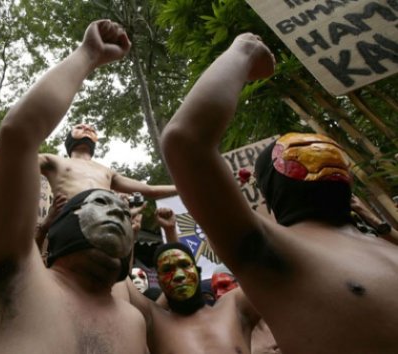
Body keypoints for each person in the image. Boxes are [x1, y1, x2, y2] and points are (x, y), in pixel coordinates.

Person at [161, 33, 398, 353]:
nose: (312, 147)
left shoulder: (384, 243)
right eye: (296, 150)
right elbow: (185, 141)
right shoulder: (272, 253)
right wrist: (245, 49)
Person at [0, 20, 147, 354]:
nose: (117, 212)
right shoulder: (17, 276)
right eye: (102, 206)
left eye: (122, 210)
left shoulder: (137, 322)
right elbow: (18, 137)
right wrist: (88, 54)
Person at [0, 117, 177, 204]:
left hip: (106, 216)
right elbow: (7, 147)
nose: (86, 128)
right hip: (67, 217)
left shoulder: (107, 172)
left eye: (92, 128)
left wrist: (190, 188)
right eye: (79, 126)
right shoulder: (54, 160)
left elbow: (150, 190)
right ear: (69, 138)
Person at [118, 207, 261, 353]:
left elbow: (271, 266)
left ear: (197, 271)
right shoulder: (155, 323)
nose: (179, 275)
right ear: (160, 282)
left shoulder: (234, 306)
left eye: (185, 265)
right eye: (167, 270)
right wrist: (123, 230)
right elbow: (118, 276)